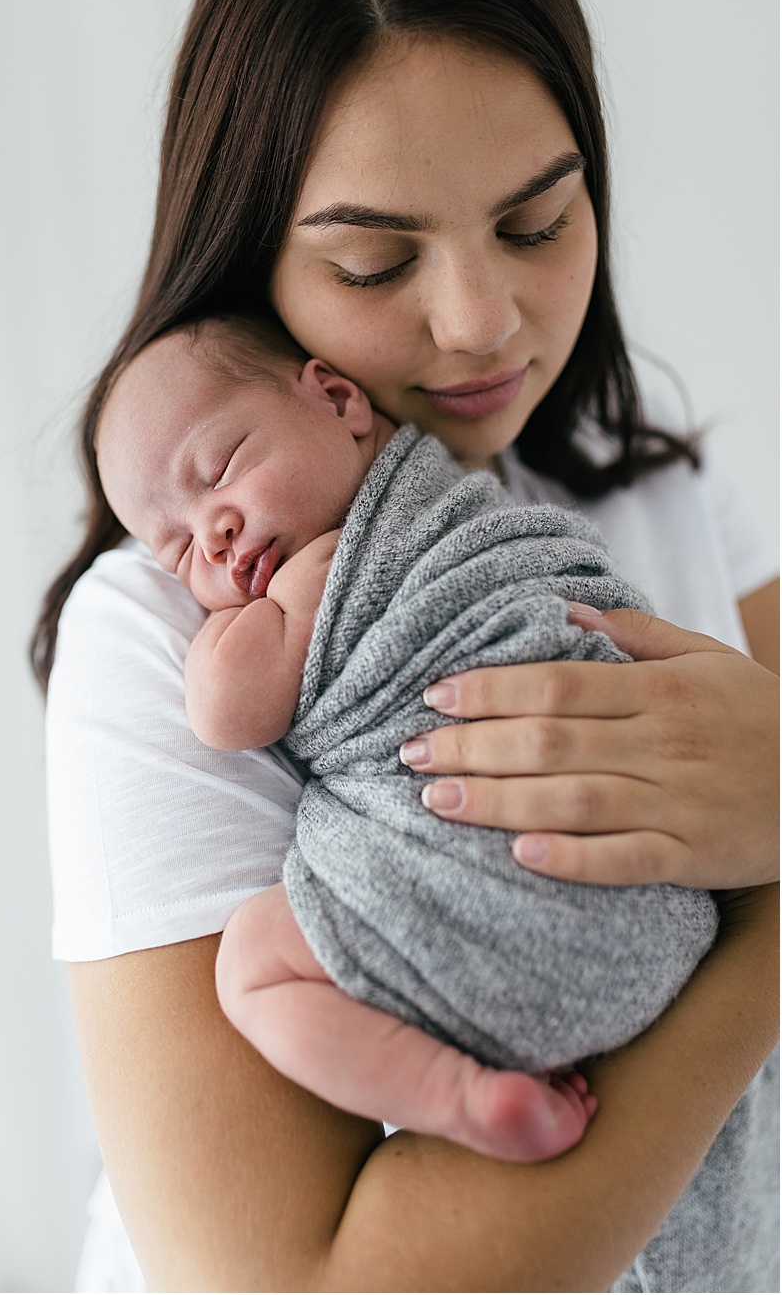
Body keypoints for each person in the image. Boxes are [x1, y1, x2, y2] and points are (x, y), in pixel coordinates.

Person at [34, 0, 778, 1289]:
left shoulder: (678, 502)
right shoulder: (160, 634)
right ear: (255, 262)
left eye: (539, 224)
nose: (483, 320)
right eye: (376, 262)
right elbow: (304, 1281)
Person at [95, 315, 716, 1165]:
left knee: (255, 968)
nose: (215, 536)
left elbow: (224, 712)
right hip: (671, 916)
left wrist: (249, 627)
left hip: (510, 908)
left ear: (339, 399)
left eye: (222, 470)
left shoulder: (318, 580)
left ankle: (463, 1096)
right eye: (178, 554)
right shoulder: (472, 501)